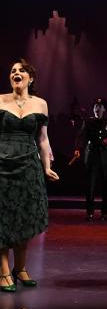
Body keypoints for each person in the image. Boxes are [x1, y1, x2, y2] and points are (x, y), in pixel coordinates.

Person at [0, 57, 59, 292]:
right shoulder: (0, 101)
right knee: (2, 218)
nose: (16, 73)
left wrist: (46, 167)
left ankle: (21, 268)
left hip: (28, 165)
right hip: (2, 164)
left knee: (24, 216)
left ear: (30, 78)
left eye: (22, 70)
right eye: (13, 70)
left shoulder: (40, 104)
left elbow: (43, 139)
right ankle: (4, 272)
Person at [74, 98, 107, 221]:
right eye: (95, 106)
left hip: (105, 157)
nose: (97, 108)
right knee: (90, 186)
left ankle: (104, 212)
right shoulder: (88, 122)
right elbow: (81, 136)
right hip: (92, 156)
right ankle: (90, 212)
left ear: (104, 109)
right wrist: (77, 148)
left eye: (100, 106)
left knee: (106, 185)